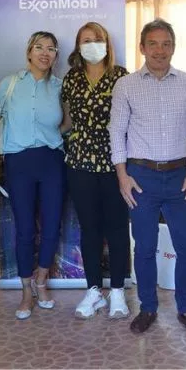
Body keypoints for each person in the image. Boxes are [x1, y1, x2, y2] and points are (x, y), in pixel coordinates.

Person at [109, 18, 186, 334]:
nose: (159, 50)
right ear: (142, 47)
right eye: (153, 44)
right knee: (145, 247)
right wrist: (122, 176)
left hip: (181, 177)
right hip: (140, 177)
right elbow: (116, 131)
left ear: (173, 48)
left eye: (166, 44)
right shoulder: (126, 85)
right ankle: (147, 308)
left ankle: (185, 309)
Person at [60, 22, 130, 319]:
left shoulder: (121, 76)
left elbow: (131, 120)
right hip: (80, 164)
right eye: (86, 40)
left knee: (117, 228)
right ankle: (93, 291)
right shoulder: (71, 78)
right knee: (89, 229)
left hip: (116, 164)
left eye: (97, 39)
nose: (92, 45)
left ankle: (117, 291)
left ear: (107, 43)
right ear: (78, 46)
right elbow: (67, 123)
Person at [0, 31, 65, 320]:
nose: (45, 53)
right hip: (19, 162)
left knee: (51, 225)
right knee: (25, 228)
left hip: (51, 160)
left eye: (51, 49)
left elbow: (67, 123)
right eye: (39, 47)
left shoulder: (60, 87)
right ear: (29, 52)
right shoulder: (9, 84)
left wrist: (51, 137)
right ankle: (26, 291)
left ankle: (41, 282)